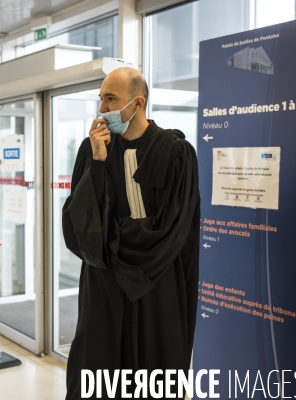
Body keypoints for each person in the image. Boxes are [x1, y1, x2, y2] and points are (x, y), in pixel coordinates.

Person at [62, 67, 200, 399]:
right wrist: (98, 161)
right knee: (97, 371)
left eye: (110, 99)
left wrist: (110, 238)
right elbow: (79, 226)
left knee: (153, 370)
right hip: (103, 285)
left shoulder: (176, 153)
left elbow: (172, 230)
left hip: (154, 283)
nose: (102, 109)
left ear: (137, 103)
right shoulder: (91, 149)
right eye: (101, 99)